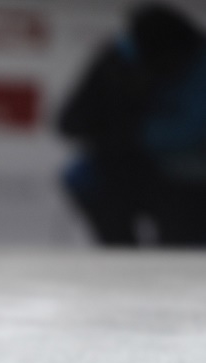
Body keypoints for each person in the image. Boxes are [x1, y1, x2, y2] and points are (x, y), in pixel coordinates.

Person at [57, 2, 206, 246]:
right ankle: (123, 265)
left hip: (188, 174)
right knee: (85, 179)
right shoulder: (119, 59)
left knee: (183, 239)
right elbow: (70, 121)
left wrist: (134, 133)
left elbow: (191, 127)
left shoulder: (198, 61)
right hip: (124, 165)